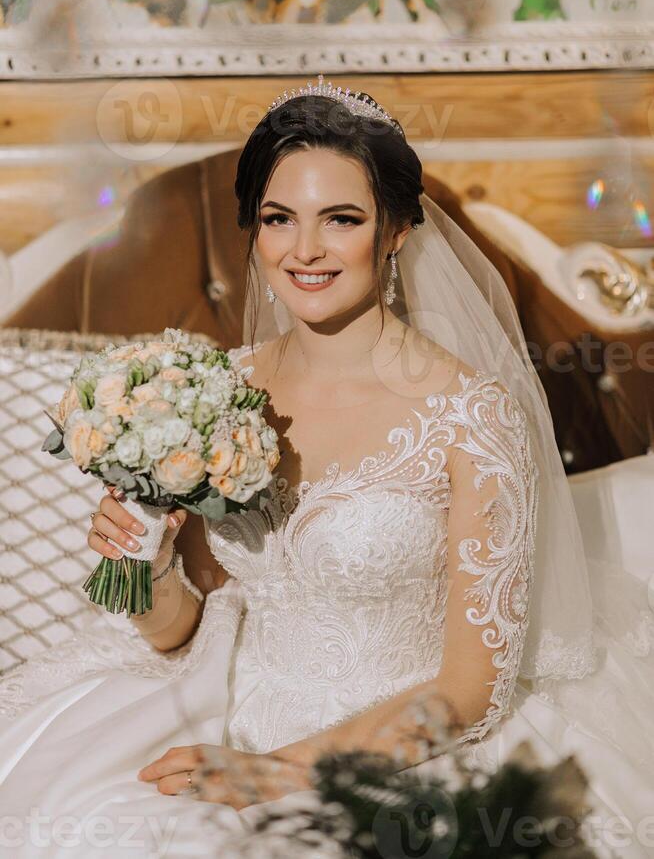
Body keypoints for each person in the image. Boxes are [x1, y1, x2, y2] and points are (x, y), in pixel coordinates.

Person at [0, 77, 652, 859]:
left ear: (396, 230)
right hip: (220, 700)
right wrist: (149, 568)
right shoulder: (216, 387)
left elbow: (471, 692)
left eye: (340, 219)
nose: (304, 250)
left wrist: (277, 772)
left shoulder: (473, 415)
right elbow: (183, 631)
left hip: (398, 746)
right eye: (279, 219)